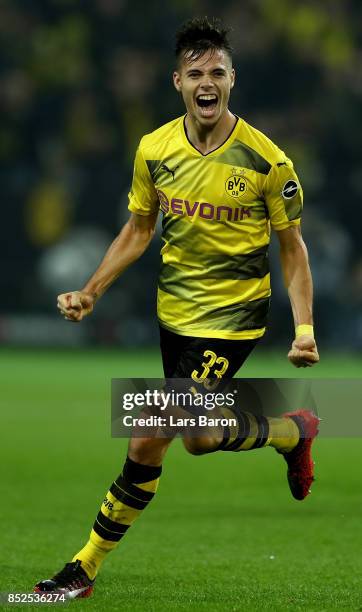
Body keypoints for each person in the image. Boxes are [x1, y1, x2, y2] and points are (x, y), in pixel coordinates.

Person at [34, 17, 320, 599]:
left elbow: (292, 249)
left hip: (236, 315)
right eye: (196, 73)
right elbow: (139, 231)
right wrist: (93, 290)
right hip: (175, 315)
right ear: (177, 82)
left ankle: (83, 568)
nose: (206, 81)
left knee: (147, 434)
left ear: (232, 80)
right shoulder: (154, 148)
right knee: (198, 438)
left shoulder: (269, 162)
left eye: (217, 71)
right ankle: (292, 431)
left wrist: (305, 328)